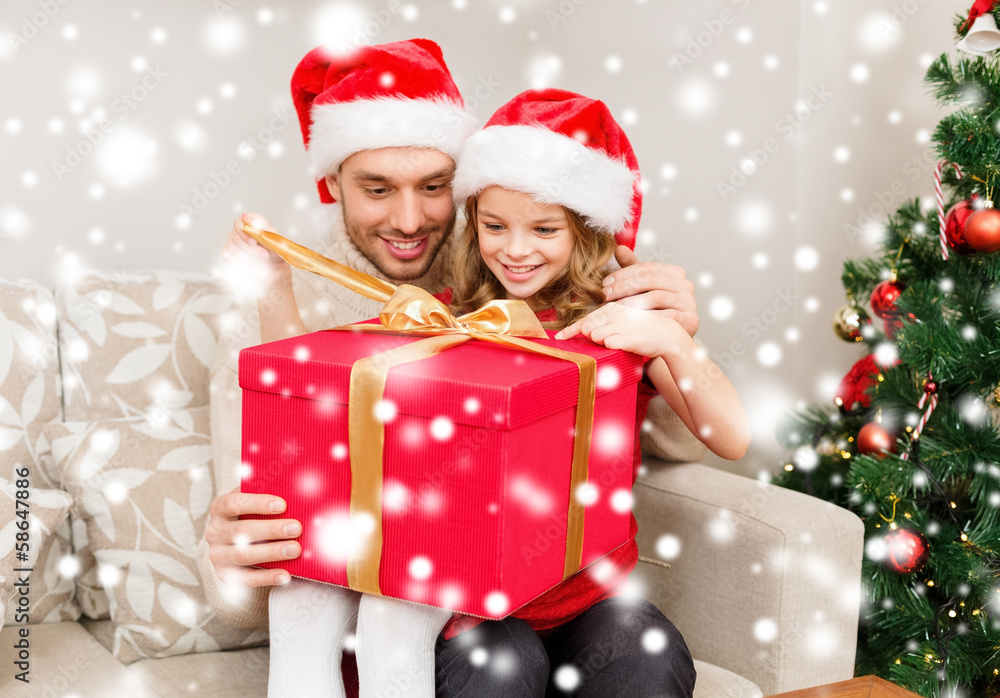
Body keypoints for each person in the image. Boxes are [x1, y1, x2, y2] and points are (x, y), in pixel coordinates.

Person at [201, 39, 711, 697]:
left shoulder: (514, 268)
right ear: (331, 183)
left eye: (434, 186)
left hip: (564, 585)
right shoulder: (272, 314)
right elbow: (247, 571)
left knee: (646, 651)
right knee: (496, 659)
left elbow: (673, 442)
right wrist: (236, 556)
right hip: (423, 608)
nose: (409, 220)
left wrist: (674, 337)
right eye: (376, 188)